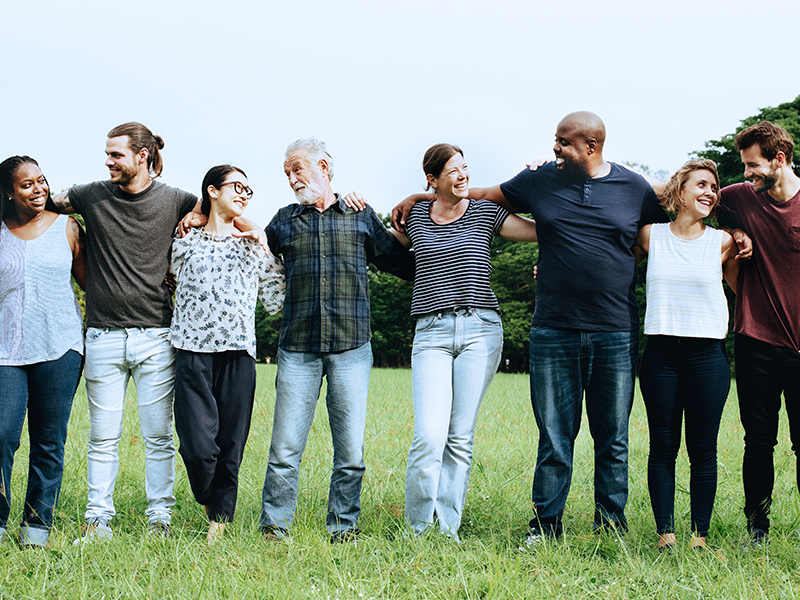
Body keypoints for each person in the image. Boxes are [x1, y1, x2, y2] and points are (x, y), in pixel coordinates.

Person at [393, 112, 668, 545]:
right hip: (553, 328)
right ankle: (545, 527)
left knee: (613, 437)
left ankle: (611, 528)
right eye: (555, 139)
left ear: (591, 147)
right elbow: (482, 194)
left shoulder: (634, 188)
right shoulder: (539, 180)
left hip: (615, 328)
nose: (554, 147)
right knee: (554, 436)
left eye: (563, 142)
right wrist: (419, 195)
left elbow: (661, 232)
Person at [48, 122, 203, 542]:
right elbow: (40, 204)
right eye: (107, 154)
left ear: (142, 155)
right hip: (102, 335)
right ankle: (98, 520)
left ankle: (160, 519)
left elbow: (217, 212)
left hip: (157, 336)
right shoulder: (90, 195)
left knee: (158, 436)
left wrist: (195, 218)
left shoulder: (177, 200)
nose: (108, 162)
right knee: (102, 437)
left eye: (115, 154)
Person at [259, 138, 414, 543]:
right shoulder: (284, 221)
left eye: (297, 169)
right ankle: (274, 528)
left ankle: (344, 527)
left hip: (351, 348)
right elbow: (251, 257)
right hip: (297, 348)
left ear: (324, 167)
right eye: (287, 173)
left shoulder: (361, 216)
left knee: (350, 452)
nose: (292, 179)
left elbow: (402, 263)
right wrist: (198, 216)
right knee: (285, 449)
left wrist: (427, 221)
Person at [385, 144, 538, 541]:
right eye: (453, 170)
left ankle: (446, 529)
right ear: (433, 179)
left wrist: (546, 183)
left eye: (465, 168)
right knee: (428, 435)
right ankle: (418, 530)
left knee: (459, 436)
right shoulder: (416, 216)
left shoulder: (485, 212)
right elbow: (381, 245)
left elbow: (540, 230)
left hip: (480, 330)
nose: (463, 175)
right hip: (431, 333)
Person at [170, 165, 284, 542]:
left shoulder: (254, 245)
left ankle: (218, 525)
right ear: (212, 191)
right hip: (191, 352)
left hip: (239, 354)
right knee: (198, 448)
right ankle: (208, 497)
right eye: (237, 186)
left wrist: (261, 236)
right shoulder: (184, 242)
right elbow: (166, 284)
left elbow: (277, 299)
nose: (243, 194)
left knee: (231, 444)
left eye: (248, 191)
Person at [633, 160, 739, 551]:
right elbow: (608, 264)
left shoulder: (723, 242)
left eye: (714, 187)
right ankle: (665, 533)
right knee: (663, 447)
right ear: (679, 191)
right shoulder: (651, 235)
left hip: (707, 356)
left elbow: (748, 290)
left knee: (703, 448)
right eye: (701, 184)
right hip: (660, 355)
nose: (710, 192)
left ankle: (699, 536)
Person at [715, 121, 800, 548]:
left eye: (753, 166)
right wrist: (734, 232)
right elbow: (683, 196)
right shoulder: (738, 199)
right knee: (759, 442)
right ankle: (757, 530)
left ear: (779, 159)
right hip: (756, 342)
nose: (746, 174)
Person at [0, 156, 85, 547]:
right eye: (27, 184)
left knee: (49, 440)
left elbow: (92, 284)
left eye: (41, 180)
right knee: (2, 434)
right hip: (5, 351)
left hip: (59, 347)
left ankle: (36, 526)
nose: (38, 189)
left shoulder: (68, 227)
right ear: (8, 192)